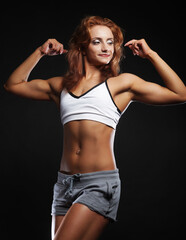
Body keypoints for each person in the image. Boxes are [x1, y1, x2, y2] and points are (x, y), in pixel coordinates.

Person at [4, 16, 186, 240]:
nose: (106, 48)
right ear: (82, 46)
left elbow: (181, 94)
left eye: (110, 42)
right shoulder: (61, 86)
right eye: (97, 41)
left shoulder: (122, 84)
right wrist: (40, 52)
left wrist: (151, 55)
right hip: (64, 184)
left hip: (99, 183)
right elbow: (13, 85)